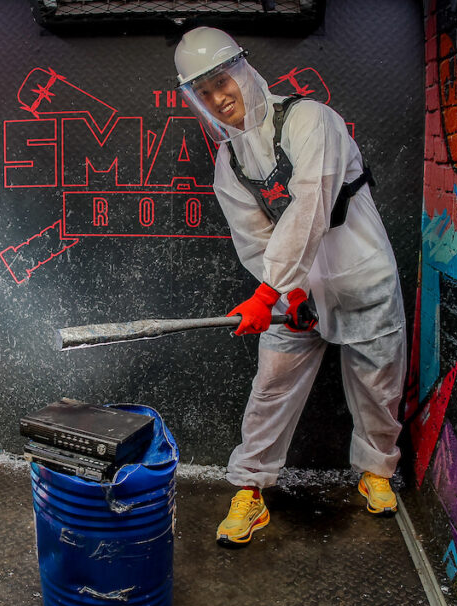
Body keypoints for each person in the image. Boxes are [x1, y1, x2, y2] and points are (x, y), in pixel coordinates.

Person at [174, 27, 408, 546]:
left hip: (360, 274)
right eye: (203, 93)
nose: (218, 99)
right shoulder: (229, 164)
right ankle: (251, 489)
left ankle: (376, 471)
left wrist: (267, 295)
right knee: (272, 386)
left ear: (242, 70)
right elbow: (256, 241)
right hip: (295, 291)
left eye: (221, 81)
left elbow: (310, 207)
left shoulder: (310, 120)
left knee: (377, 382)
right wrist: (290, 293)